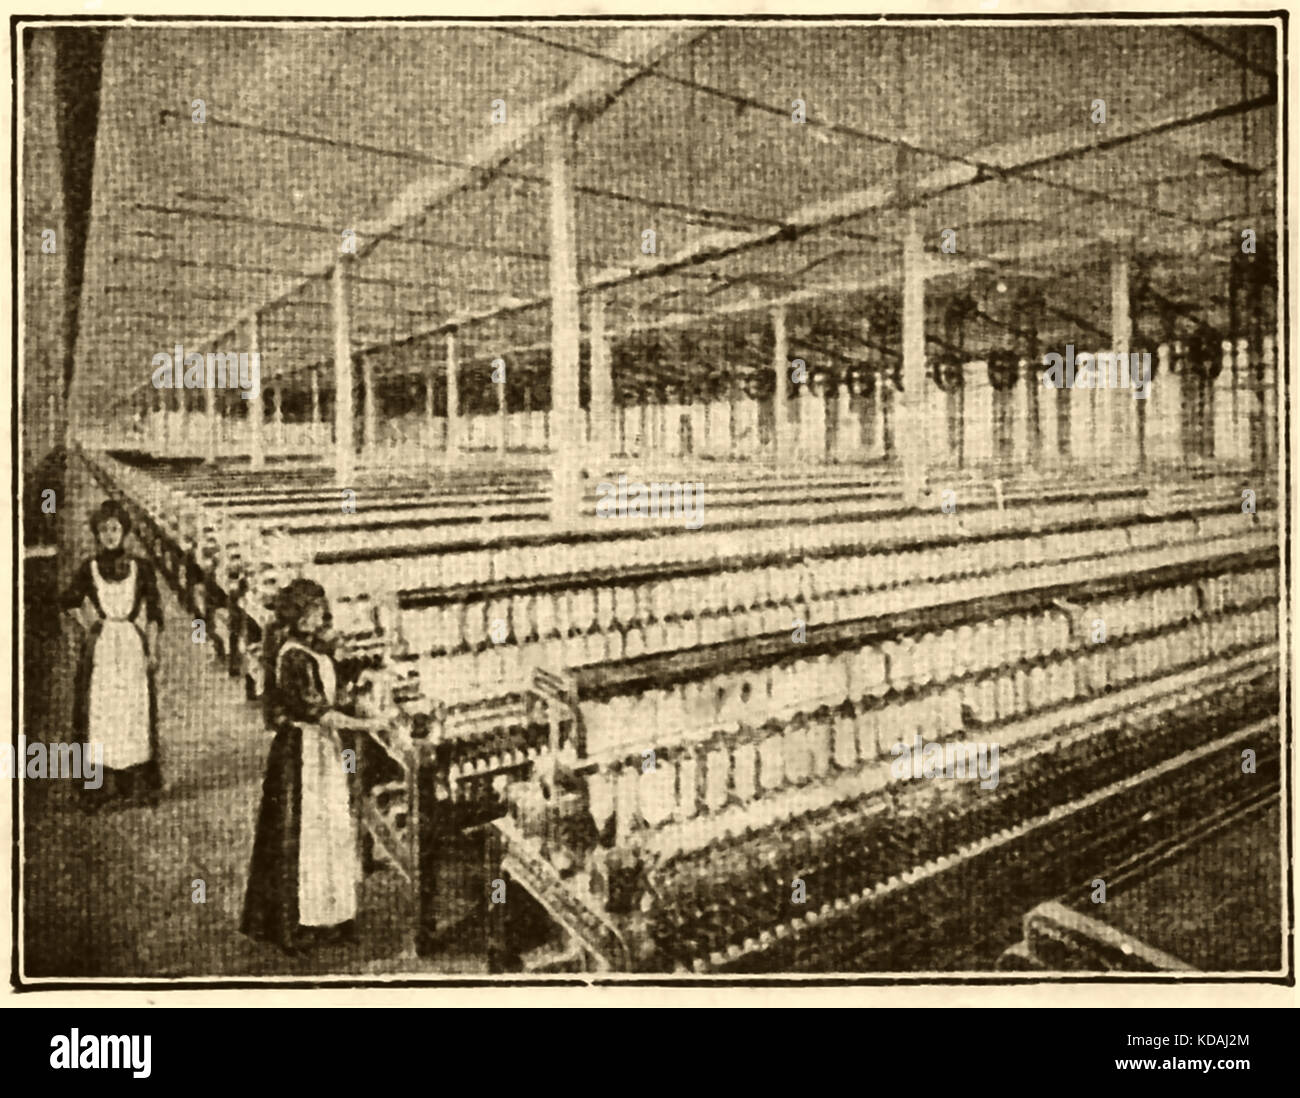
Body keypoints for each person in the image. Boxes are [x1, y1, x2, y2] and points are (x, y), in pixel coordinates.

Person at [241, 578, 364, 954]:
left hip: (320, 751)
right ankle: (294, 924)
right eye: (310, 610)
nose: (318, 616)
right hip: (302, 752)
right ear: (296, 614)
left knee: (329, 833)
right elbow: (322, 713)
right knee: (303, 836)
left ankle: (329, 915)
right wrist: (370, 725)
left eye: (319, 609)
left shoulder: (311, 648)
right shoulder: (294, 656)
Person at [59, 498, 164, 805]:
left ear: (124, 531)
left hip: (132, 644)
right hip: (103, 646)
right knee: (102, 713)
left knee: (134, 712)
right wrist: (89, 625)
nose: (109, 535)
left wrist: (153, 652)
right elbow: (68, 601)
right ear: (96, 533)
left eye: (115, 529)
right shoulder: (89, 568)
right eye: (103, 530)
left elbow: (156, 613)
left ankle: (136, 785)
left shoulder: (141, 568)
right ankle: (100, 787)